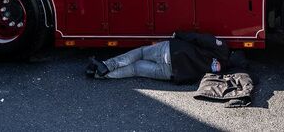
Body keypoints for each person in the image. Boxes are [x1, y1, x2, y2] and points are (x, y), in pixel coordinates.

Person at [85, 32, 231, 84]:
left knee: (140, 53)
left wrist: (178, 35)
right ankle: (100, 75)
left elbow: (200, 38)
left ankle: (107, 65)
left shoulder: (223, 49)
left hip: (172, 52)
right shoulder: (225, 73)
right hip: (172, 73)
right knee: (135, 69)